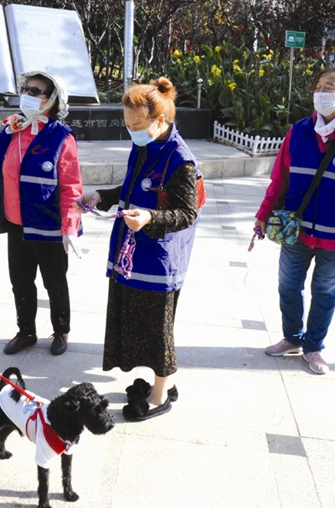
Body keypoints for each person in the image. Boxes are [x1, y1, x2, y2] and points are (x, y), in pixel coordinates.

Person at [78, 77, 200, 422]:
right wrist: (103, 195)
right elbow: (132, 186)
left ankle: (160, 395)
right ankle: (165, 381)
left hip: (159, 260)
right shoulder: (144, 146)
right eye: (128, 124)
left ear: (160, 120)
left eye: (137, 125)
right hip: (131, 252)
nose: (132, 131)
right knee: (136, 321)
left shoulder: (181, 161)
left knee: (157, 328)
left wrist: (149, 216)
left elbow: (187, 214)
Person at [255, 65, 335, 375]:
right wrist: (263, 215)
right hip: (296, 232)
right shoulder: (299, 131)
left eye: (329, 86)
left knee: (325, 292)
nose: (320, 92)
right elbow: (279, 180)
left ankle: (313, 347)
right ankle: (291, 338)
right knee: (288, 286)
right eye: (318, 86)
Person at [0, 71, 83, 356]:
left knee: (54, 281)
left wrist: (70, 227)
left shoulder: (61, 138)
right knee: (20, 281)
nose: (28, 95)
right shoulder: (12, 131)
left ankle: (60, 330)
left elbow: (71, 186)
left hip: (48, 226)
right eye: (27, 89)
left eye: (36, 91)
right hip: (16, 222)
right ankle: (26, 331)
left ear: (53, 100)